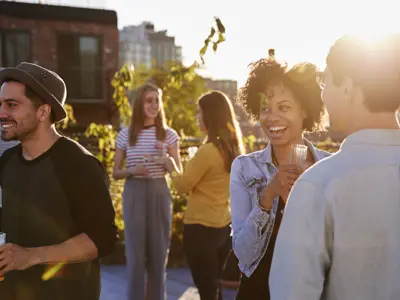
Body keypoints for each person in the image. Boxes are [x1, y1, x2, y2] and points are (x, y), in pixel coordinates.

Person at [269, 34, 400, 300]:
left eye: (325, 80)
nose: (323, 93)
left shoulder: (318, 185)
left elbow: (291, 293)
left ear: (348, 87)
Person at [0, 62, 117, 300]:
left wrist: (31, 256)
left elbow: (102, 238)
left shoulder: (79, 164)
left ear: (43, 112)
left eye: (11, 105)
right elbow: (19, 214)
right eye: (0, 104)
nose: (2, 113)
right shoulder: (7, 160)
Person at [230, 57, 330, 299]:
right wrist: (267, 197)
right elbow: (242, 253)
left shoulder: (327, 167)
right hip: (258, 290)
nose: (272, 117)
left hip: (312, 289)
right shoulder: (244, 168)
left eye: (284, 107)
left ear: (305, 109)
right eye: (265, 108)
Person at [156, 91, 244, 300]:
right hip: (223, 227)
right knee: (215, 288)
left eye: (200, 112)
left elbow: (183, 184)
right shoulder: (233, 149)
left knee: (206, 289)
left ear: (210, 115)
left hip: (200, 229)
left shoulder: (208, 151)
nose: (197, 117)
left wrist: (171, 165)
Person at [113, 82, 181, 300]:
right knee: (135, 257)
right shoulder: (125, 135)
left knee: (158, 255)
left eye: (157, 100)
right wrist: (134, 170)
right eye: (148, 100)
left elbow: (178, 172)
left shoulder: (169, 135)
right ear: (139, 105)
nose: (154, 105)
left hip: (160, 191)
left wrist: (168, 161)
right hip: (134, 192)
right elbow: (116, 172)